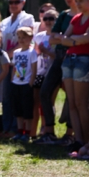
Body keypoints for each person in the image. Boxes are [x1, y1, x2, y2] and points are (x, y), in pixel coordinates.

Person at [58, 0, 89, 152]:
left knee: (81, 103)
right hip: (69, 60)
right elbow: (64, 38)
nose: (77, 3)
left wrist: (71, 40)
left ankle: (86, 140)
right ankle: (78, 140)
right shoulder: (76, 18)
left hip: (84, 61)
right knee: (72, 103)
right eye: (76, 0)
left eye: (80, 0)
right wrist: (75, 40)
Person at [35, 0, 81, 145]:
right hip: (60, 57)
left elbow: (81, 39)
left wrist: (65, 39)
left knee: (72, 97)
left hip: (76, 58)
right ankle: (49, 131)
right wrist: (69, 39)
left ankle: (69, 133)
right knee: (45, 92)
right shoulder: (63, 15)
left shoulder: (85, 16)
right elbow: (53, 38)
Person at [0, 0, 35, 136]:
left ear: (23, 3)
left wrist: (7, 55)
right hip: (6, 63)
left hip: (19, 64)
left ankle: (17, 129)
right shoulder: (5, 22)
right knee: (6, 97)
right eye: (11, 2)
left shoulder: (27, 18)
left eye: (17, 1)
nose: (13, 5)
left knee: (18, 98)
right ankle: (7, 127)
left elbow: (24, 41)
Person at [9, 27, 38, 142]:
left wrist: (30, 83)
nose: (21, 40)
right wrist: (12, 79)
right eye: (19, 37)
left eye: (24, 37)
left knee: (27, 109)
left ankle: (27, 132)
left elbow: (34, 69)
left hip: (26, 83)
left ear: (30, 38)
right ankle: (19, 131)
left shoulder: (32, 52)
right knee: (18, 109)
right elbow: (14, 67)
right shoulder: (16, 52)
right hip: (16, 83)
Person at [32, 9, 58, 137]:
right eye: (45, 18)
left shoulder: (59, 36)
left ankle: (46, 128)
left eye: (51, 18)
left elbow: (58, 56)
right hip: (40, 72)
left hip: (53, 72)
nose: (48, 21)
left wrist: (46, 51)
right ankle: (33, 130)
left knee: (49, 101)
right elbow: (35, 54)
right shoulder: (39, 36)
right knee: (36, 102)